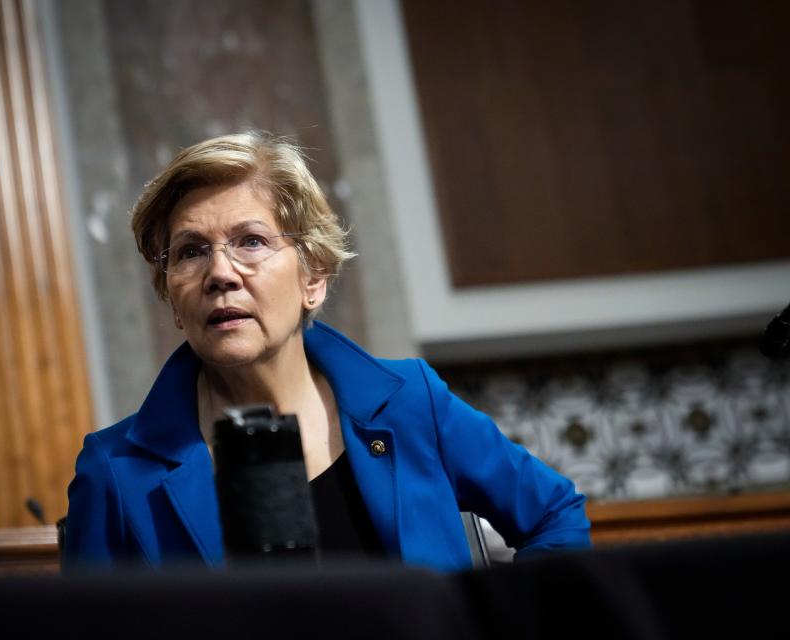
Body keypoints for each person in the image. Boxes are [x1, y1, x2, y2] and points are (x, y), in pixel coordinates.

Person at [64, 131, 591, 572]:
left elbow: (556, 515)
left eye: (251, 241)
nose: (220, 274)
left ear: (313, 276)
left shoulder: (411, 402)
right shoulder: (116, 472)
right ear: (171, 297)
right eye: (190, 252)